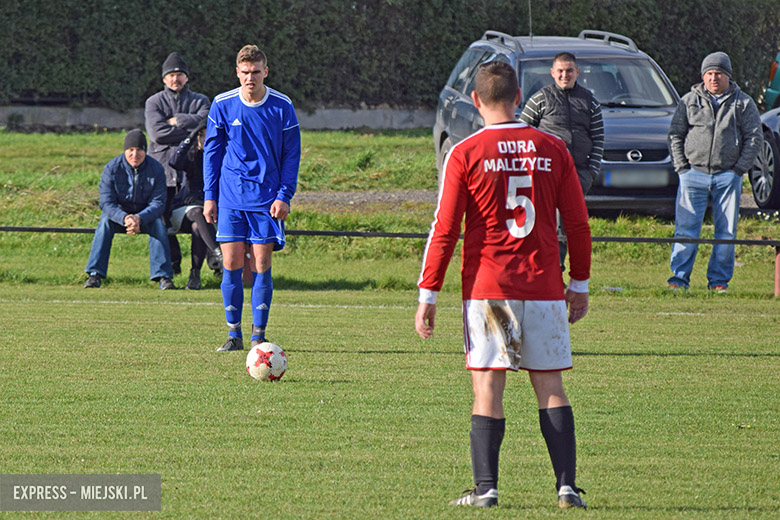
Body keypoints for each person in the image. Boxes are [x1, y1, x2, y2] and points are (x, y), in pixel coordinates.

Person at [415, 61, 592, 509]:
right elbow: (577, 222)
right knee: (550, 385)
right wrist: (580, 282)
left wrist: (428, 293)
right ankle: (567, 488)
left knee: (488, 388)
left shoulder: (465, 152)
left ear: (475, 101)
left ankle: (486, 489)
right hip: (545, 287)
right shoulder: (553, 148)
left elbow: (445, 228)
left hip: (490, 287)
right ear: (519, 98)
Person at [203, 44, 301, 352]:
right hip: (231, 197)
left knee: (261, 263)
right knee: (230, 263)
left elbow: (292, 155)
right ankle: (234, 335)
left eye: (256, 72)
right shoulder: (222, 104)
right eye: (245, 72)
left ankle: (259, 335)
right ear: (237, 72)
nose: (250, 78)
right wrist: (209, 196)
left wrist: (284, 195)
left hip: (266, 199)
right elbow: (212, 153)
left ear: (265, 72)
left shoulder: (282, 106)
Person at [667, 51, 762, 292]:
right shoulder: (689, 100)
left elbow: (754, 138)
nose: (713, 78)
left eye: (718, 73)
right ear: (703, 76)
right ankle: (678, 280)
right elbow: (675, 134)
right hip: (692, 174)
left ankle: (719, 282)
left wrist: (738, 170)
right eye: (709, 73)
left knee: (726, 232)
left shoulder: (744, 103)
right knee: (685, 230)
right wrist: (682, 168)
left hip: (728, 176)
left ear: (728, 76)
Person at [520, 52, 603, 268]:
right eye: (560, 71)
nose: (564, 75)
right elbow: (522, 135)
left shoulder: (590, 102)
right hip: (546, 174)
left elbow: (598, 139)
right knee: (546, 223)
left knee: (568, 226)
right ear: (552, 72)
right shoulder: (539, 99)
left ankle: (560, 270)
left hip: (578, 175)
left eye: (569, 71)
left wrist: (590, 172)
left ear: (577, 72)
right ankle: (546, 270)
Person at [83, 129, 175, 290]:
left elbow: (158, 203)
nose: (135, 154)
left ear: (145, 151)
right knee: (104, 223)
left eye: (139, 150)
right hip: (118, 216)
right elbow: (106, 203)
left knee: (159, 226)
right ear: (125, 150)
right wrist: (125, 218)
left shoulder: (157, 169)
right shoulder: (111, 168)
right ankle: (94, 274)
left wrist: (140, 218)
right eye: (130, 150)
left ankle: (164, 276)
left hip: (146, 217)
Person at [145, 52, 211, 276]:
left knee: (203, 216)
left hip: (194, 173)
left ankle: (215, 265)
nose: (176, 79)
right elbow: (158, 134)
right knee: (162, 219)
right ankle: (172, 266)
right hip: (162, 171)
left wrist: (178, 120)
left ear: (187, 77)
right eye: (171, 75)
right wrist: (192, 131)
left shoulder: (201, 100)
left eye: (180, 74)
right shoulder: (153, 102)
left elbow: (207, 123)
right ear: (164, 79)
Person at [166, 122, 223, 290]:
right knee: (198, 211)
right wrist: (190, 137)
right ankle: (218, 253)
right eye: (202, 136)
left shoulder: (221, 158)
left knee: (198, 227)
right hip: (183, 210)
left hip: (208, 214)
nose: (206, 140)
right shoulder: (191, 156)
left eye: (209, 136)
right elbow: (174, 162)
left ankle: (194, 276)